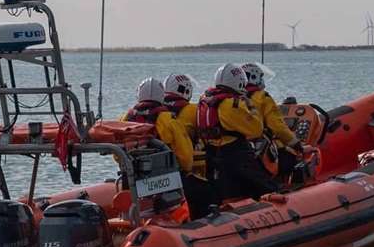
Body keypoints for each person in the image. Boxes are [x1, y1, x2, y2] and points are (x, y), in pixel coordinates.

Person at [123, 77, 211, 218]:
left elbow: (118, 153)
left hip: (132, 179)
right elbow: (185, 155)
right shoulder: (168, 119)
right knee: (204, 191)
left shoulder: (125, 118)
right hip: (166, 181)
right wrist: (186, 169)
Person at [196, 63, 275, 201]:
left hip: (211, 153)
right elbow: (256, 129)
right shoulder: (233, 104)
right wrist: (250, 105)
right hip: (235, 153)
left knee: (226, 190)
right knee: (263, 184)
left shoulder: (205, 100)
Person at [240, 61, 305, 183]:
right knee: (291, 159)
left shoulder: (233, 99)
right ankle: (287, 186)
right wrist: (295, 143)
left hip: (241, 148)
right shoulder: (262, 97)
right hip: (262, 150)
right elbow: (277, 127)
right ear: (255, 78)